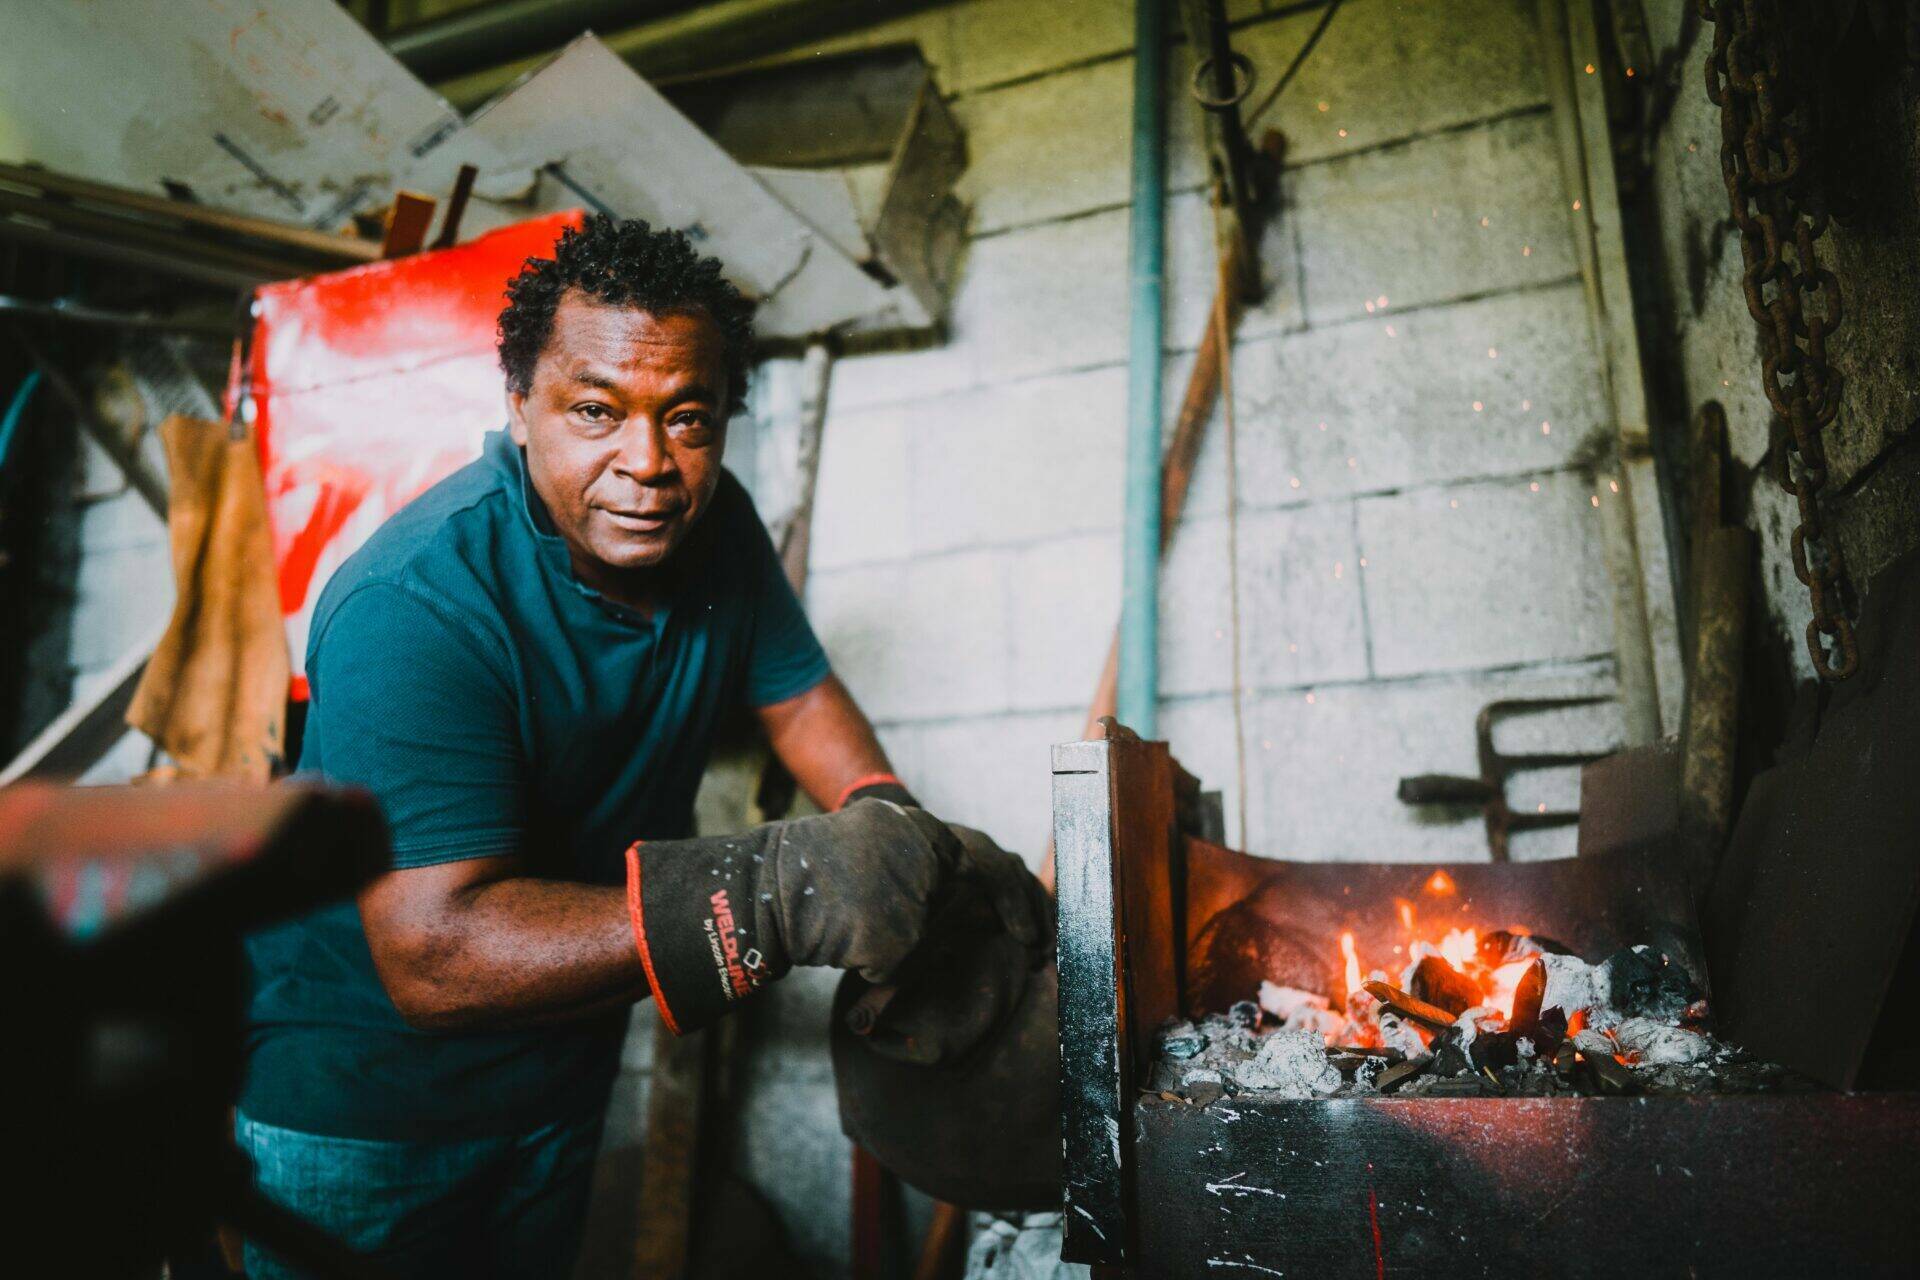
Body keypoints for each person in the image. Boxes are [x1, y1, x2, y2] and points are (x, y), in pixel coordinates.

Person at [236, 214, 1048, 1278]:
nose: (649, 462)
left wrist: (886, 814)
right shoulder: (416, 605)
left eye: (688, 417)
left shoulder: (715, 527)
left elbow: (797, 695)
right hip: (364, 1110)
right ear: (519, 405)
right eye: (595, 411)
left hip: (560, 1080)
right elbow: (432, 956)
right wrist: (773, 892)